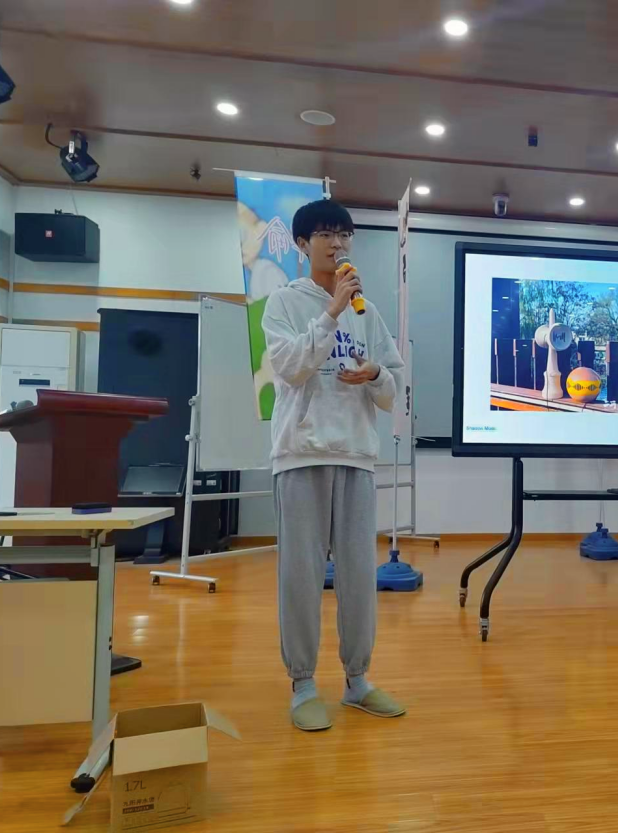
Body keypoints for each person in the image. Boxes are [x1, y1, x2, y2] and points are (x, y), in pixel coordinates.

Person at [261, 198, 406, 731]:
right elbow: (291, 368)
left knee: (358, 577)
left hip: (356, 454)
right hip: (301, 454)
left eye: (344, 235)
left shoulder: (369, 311)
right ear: (302, 244)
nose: (338, 244)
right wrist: (331, 314)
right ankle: (303, 683)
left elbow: (393, 387)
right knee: (300, 576)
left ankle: (357, 681)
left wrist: (374, 375)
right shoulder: (283, 303)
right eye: (325, 234)